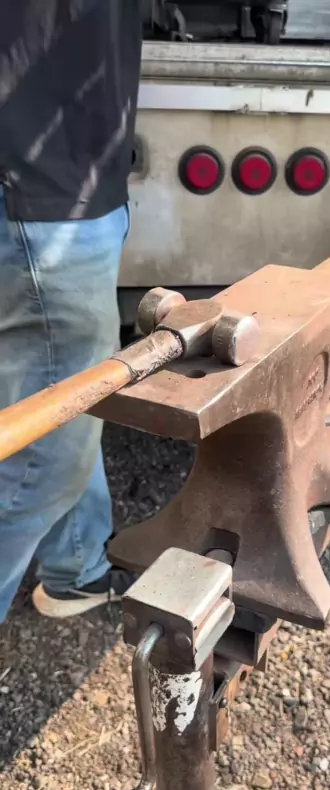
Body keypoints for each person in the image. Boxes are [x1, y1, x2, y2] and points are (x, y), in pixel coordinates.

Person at [0, 2, 143, 622]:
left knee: (58, 398)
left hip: (56, 177)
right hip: (41, 185)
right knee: (41, 463)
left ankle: (76, 571)